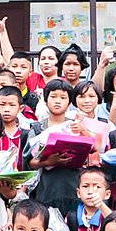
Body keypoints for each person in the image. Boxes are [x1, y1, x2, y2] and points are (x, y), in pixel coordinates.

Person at [26, 79, 81, 217]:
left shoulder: (75, 126)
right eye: (53, 96)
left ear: (69, 102)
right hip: (46, 188)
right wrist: (49, 162)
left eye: (63, 98)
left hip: (73, 187)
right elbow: (30, 162)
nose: (58, 101)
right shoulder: (38, 129)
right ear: (45, 100)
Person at [66, 166, 112, 231]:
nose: (90, 191)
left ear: (107, 194)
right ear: (78, 193)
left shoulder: (107, 215)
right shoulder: (71, 217)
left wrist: (101, 206)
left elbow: (115, 223)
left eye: (97, 187)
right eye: (85, 186)